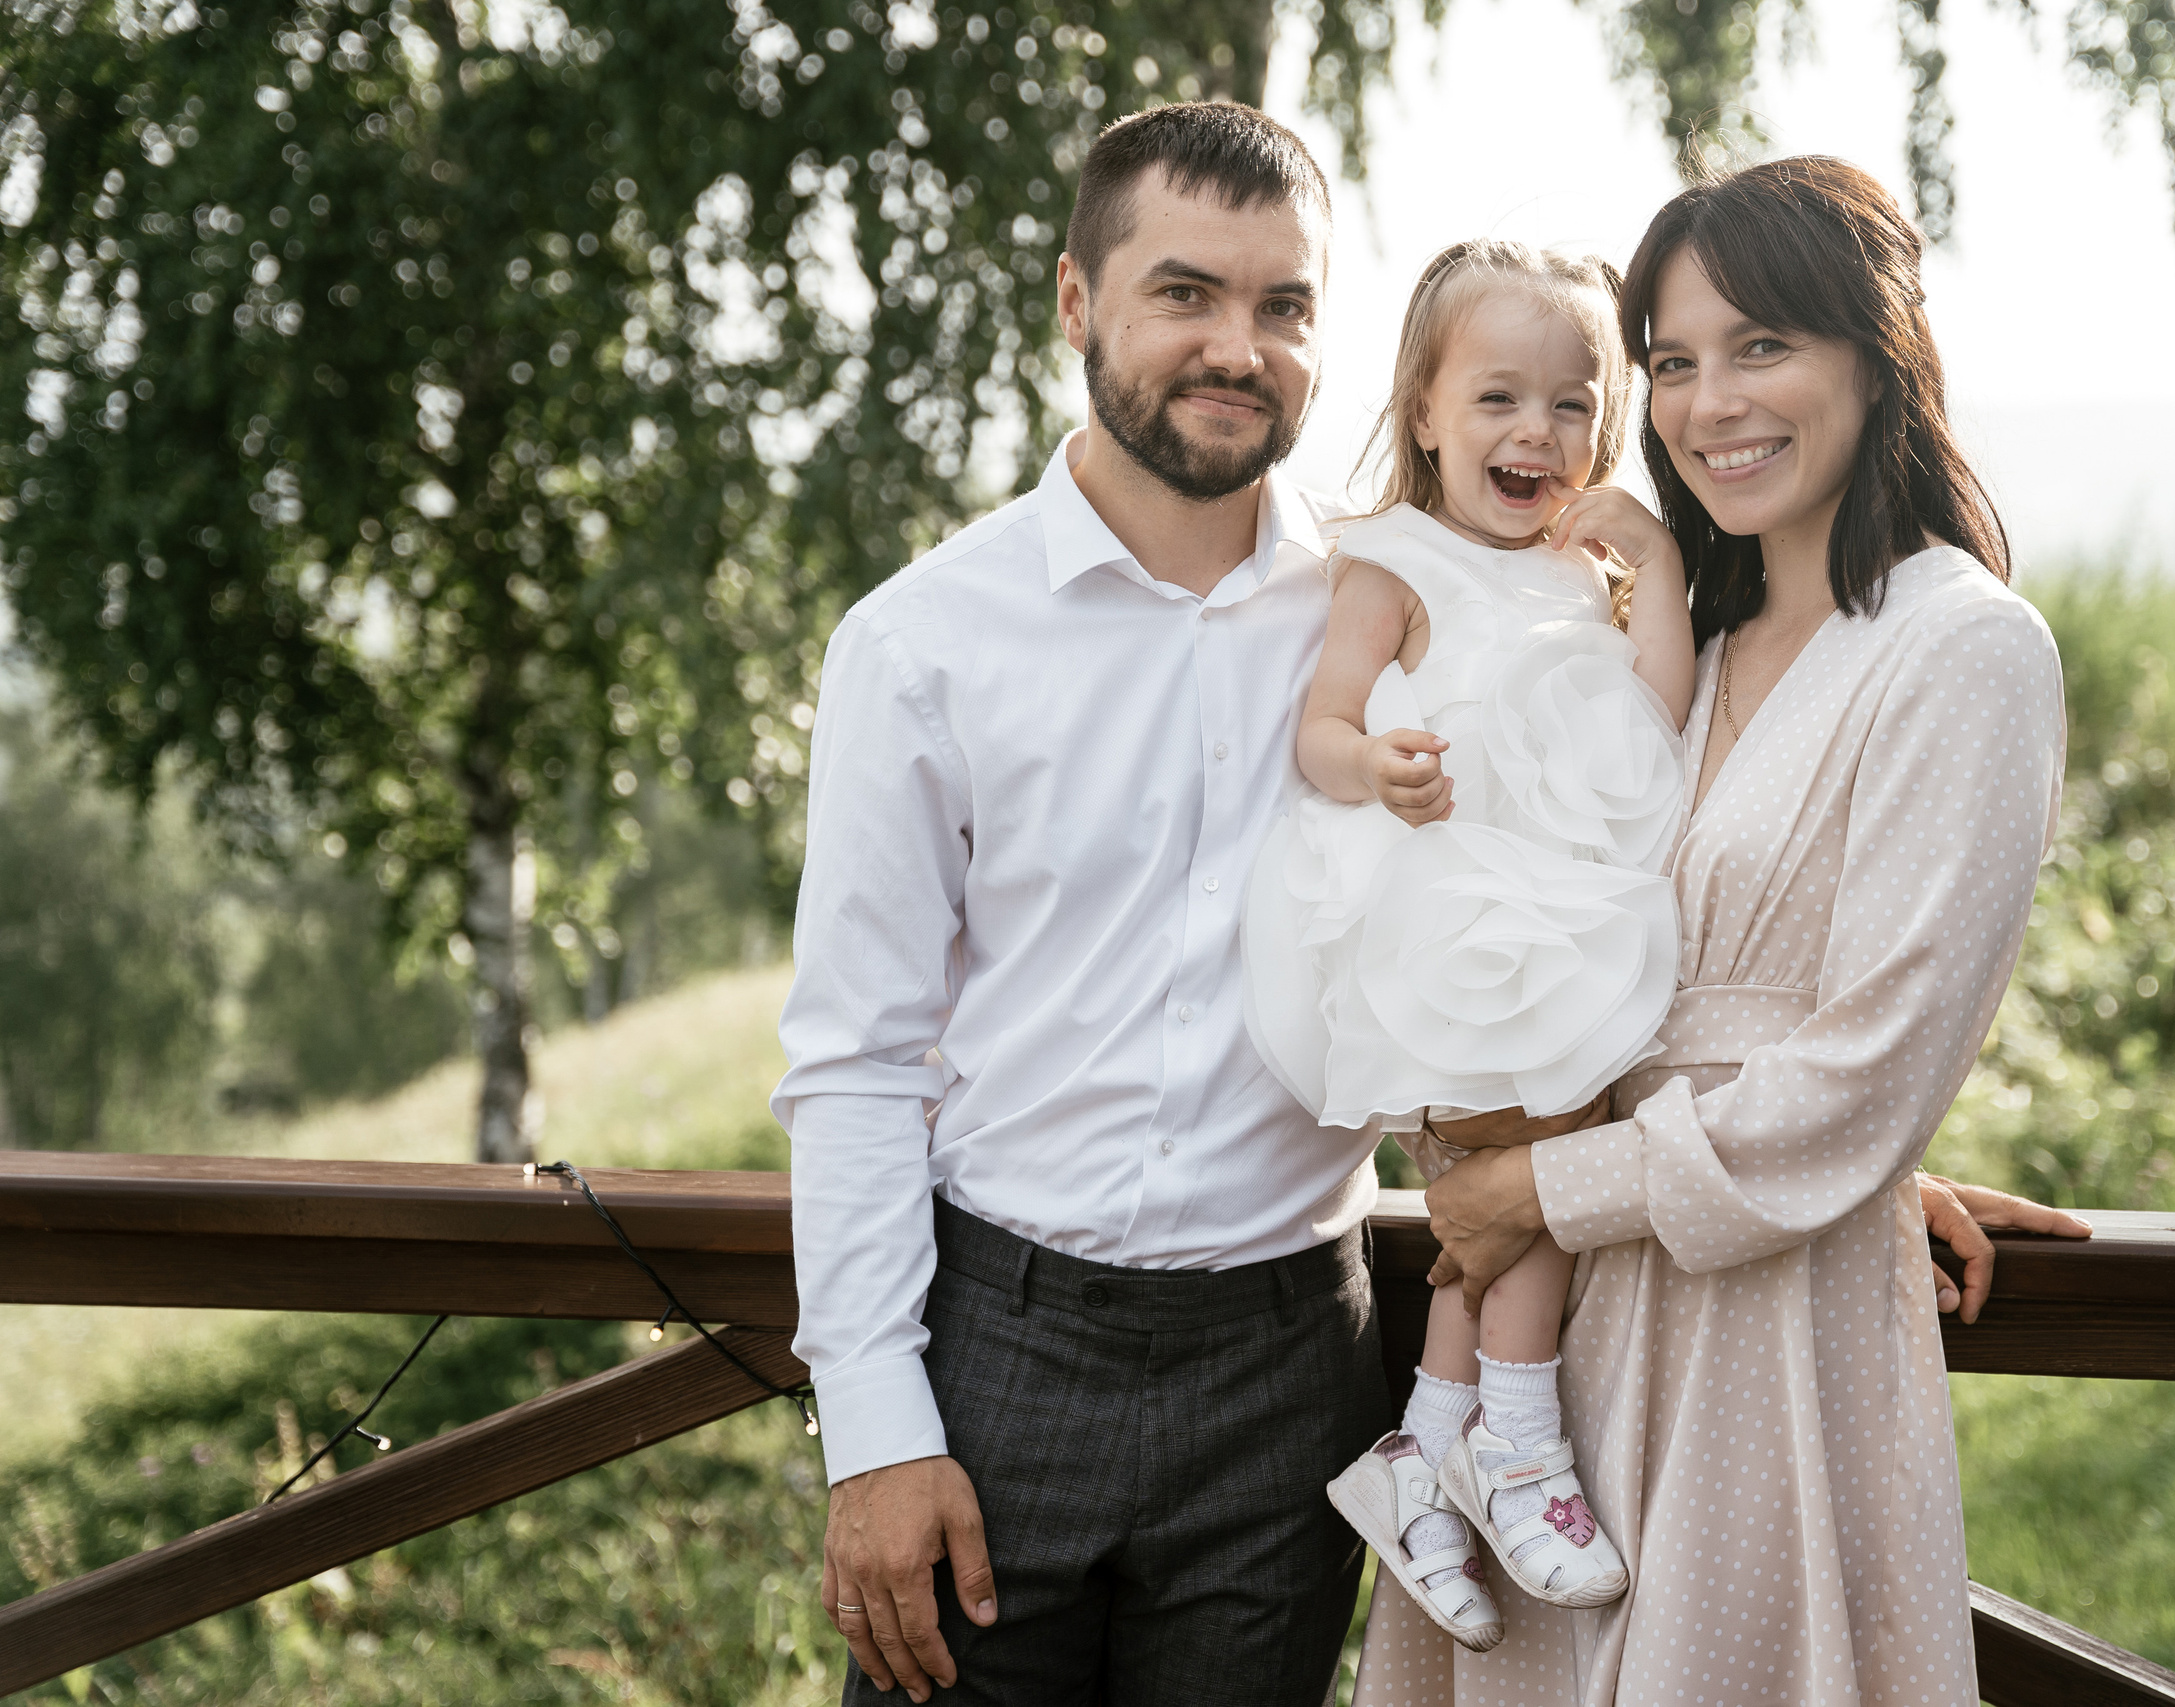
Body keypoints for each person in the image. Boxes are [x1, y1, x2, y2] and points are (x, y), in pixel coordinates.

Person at [778, 102, 2087, 1707]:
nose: (1235, 346)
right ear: (1076, 303)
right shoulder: (929, 642)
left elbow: (1588, 888)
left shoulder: (1412, 596)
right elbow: (853, 1056)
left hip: (1300, 1358)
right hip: (1009, 1348)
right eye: (1184, 293)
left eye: (1283, 306)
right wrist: (876, 1427)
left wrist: (1848, 1155)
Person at [1352, 155, 2086, 1707]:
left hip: (1763, 1334)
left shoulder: (1963, 649)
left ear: (1875, 354)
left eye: (1762, 346)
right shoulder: (1682, 645)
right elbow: (1596, 960)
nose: (1710, 403)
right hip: (1561, 1330)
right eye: (1672, 363)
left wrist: (1561, 1181)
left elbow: (1862, 1068)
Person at [1240, 239, 1698, 1649]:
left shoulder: (1587, 573)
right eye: (1498, 399)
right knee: (1533, 1181)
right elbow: (1319, 728)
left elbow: (1659, 716)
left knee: (1509, 1192)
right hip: (1439, 924)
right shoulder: (1392, 564)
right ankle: (1514, 1437)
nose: (1536, 434)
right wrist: (1377, 768)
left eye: (1572, 406)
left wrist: (1662, 558)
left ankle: (1424, 1452)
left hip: (1558, 921)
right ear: (1426, 411)